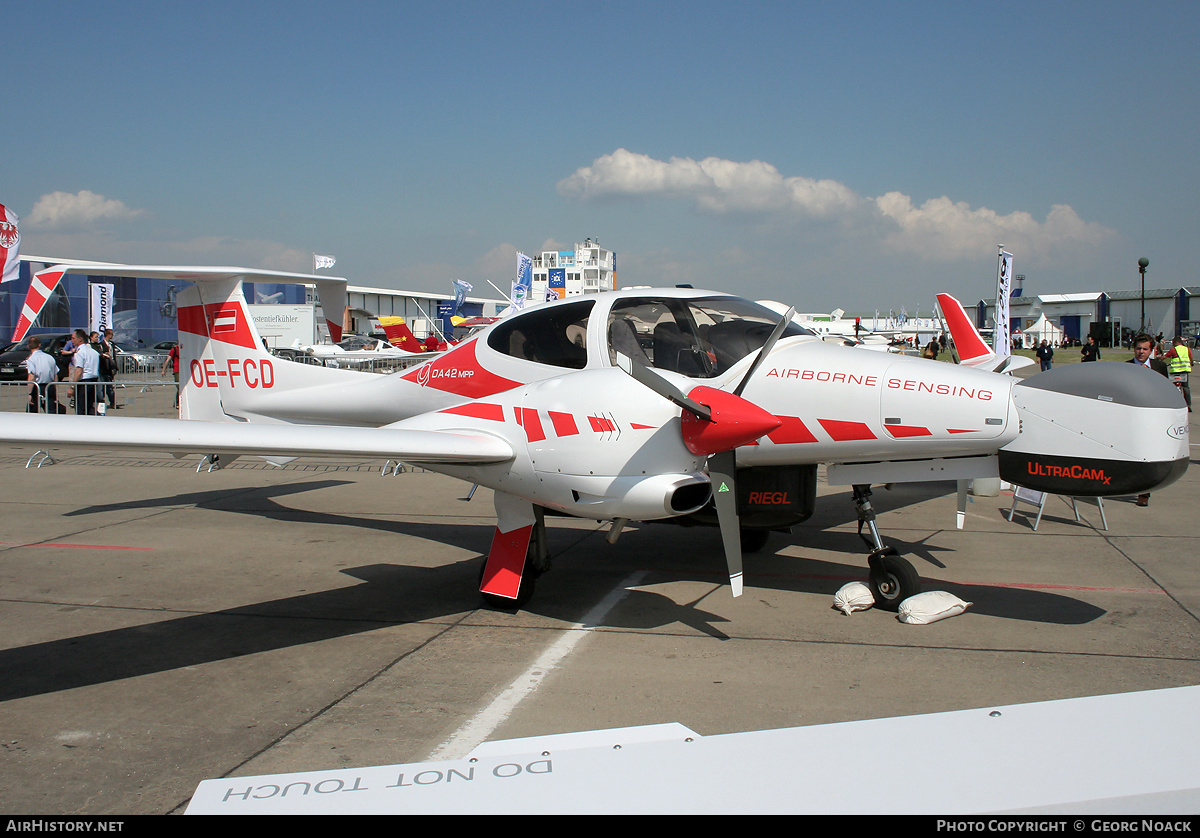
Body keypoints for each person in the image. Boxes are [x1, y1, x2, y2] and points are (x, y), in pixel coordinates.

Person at [1127, 334, 1169, 506]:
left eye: (1145, 349)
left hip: (1153, 419)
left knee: (1149, 457)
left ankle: (1144, 493)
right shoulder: (1126, 367)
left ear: (1152, 350)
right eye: (1138, 348)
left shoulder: (1160, 367)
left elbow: (1165, 390)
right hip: (1132, 419)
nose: (1141, 352)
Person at [68, 328, 101, 415]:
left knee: (81, 409)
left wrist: (72, 386)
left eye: (73, 338)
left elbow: (79, 371)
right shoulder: (94, 352)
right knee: (90, 407)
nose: (72, 340)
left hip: (84, 382)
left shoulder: (80, 353)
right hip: (94, 381)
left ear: (80, 339)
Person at [24, 336, 60, 414]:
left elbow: (32, 376)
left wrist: (29, 393)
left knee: (32, 412)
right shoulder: (49, 357)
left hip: (37, 387)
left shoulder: (31, 359)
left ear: (28, 346)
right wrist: (55, 390)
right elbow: (55, 375)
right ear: (39, 345)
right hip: (49, 386)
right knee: (51, 411)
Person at [1163, 335, 1193, 413]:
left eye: (1173, 343)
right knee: (1186, 388)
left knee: (1173, 387)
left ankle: (1173, 403)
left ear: (1176, 342)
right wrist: (1191, 363)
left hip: (1175, 372)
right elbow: (1191, 358)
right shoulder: (1187, 349)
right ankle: (1188, 405)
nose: (1172, 344)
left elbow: (1165, 357)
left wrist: (1159, 358)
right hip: (1184, 371)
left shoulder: (1173, 350)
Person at [161, 342, 181, 408]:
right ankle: (177, 403)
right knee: (179, 387)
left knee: (183, 387)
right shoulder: (174, 349)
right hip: (177, 370)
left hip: (184, 370)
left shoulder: (185, 349)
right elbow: (168, 360)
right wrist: (163, 370)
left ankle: (178, 402)